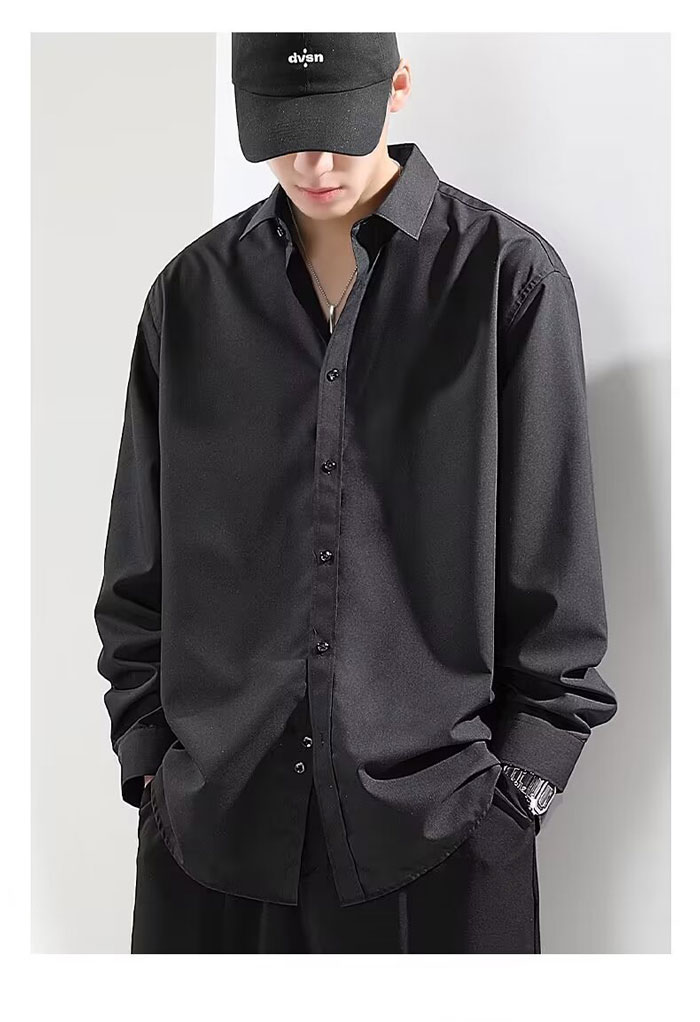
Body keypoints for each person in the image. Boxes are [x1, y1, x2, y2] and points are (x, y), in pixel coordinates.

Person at [93, 32, 618, 954]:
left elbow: (556, 574)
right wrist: (150, 771)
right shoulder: (190, 298)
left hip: (442, 839)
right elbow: (137, 566)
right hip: (213, 838)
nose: (314, 165)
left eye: (338, 129)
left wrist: (515, 800)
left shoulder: (506, 282)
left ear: (398, 87)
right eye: (282, 135)